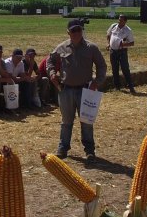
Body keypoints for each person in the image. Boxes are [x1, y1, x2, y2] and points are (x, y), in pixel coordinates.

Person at [46, 19, 107, 161]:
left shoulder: (92, 48)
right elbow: (50, 61)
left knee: (86, 121)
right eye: (73, 30)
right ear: (68, 32)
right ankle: (62, 149)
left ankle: (90, 151)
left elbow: (102, 66)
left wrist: (97, 82)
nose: (77, 33)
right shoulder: (61, 47)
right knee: (66, 121)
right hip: (65, 90)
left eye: (79, 30)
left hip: (86, 90)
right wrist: (52, 73)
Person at [105, 14, 135, 93]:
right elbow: (108, 35)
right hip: (113, 51)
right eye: (119, 19)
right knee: (114, 69)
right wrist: (108, 44)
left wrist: (123, 44)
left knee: (125, 69)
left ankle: (131, 86)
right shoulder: (113, 26)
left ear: (125, 21)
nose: (119, 21)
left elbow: (132, 43)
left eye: (121, 20)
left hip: (122, 52)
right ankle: (117, 86)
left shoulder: (128, 30)